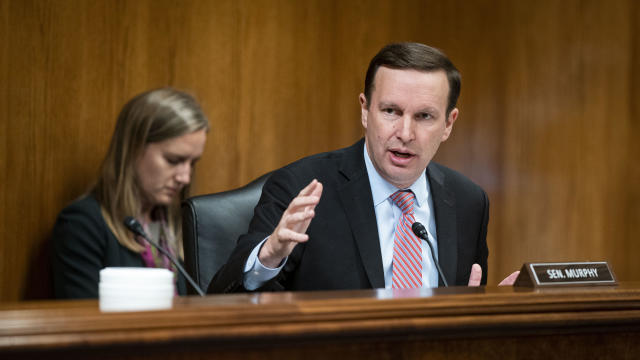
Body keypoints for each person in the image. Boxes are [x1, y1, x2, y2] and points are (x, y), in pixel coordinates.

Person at [209, 42, 503, 294]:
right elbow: (223, 300)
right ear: (365, 110)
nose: (405, 133)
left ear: (449, 124)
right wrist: (269, 257)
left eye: (424, 116)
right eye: (391, 111)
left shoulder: (468, 202)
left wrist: (492, 312)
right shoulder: (301, 187)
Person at [51, 88, 209, 299]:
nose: (185, 177)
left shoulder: (182, 225)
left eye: (192, 163)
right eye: (173, 160)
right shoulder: (81, 225)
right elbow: (85, 323)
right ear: (132, 148)